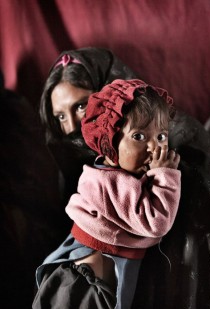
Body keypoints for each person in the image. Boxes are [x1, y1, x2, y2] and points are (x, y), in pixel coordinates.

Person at [33, 79, 181, 309]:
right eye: (139, 136)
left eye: (162, 136)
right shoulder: (113, 184)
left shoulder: (111, 173)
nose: (155, 147)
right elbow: (157, 223)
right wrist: (165, 176)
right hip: (87, 289)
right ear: (110, 142)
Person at [39, 47, 138, 202]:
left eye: (80, 106)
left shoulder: (166, 144)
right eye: (61, 116)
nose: (71, 127)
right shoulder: (63, 167)